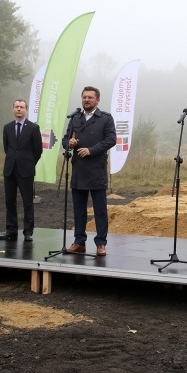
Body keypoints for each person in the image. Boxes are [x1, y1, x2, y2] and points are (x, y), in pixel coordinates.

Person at [62, 86, 116, 256]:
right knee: (79, 210)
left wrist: (91, 150)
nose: (87, 100)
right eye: (84, 97)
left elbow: (111, 139)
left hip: (96, 170)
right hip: (78, 169)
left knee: (100, 209)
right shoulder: (75, 118)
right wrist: (68, 143)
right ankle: (79, 242)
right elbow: (65, 138)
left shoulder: (105, 118)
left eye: (90, 97)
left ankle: (101, 243)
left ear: (97, 100)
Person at [0, 99, 43, 242]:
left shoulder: (33, 128)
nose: (19, 109)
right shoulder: (7, 127)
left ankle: (28, 232)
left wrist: (29, 163)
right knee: (9, 201)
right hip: (10, 170)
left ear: (26, 110)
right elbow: (7, 148)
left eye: (21, 107)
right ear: (13, 109)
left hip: (26, 170)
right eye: (16, 107)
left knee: (27, 202)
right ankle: (11, 230)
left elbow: (38, 150)